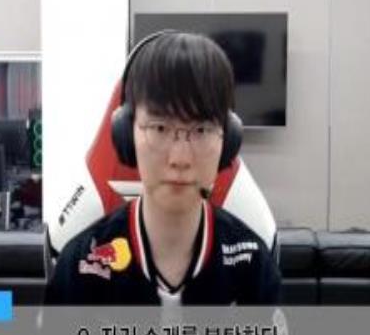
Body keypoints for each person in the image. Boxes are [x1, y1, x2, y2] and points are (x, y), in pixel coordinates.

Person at [45, 31, 281, 305]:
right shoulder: (79, 270)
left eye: (201, 130)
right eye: (159, 128)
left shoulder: (254, 269)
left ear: (227, 140)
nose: (180, 158)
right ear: (126, 135)